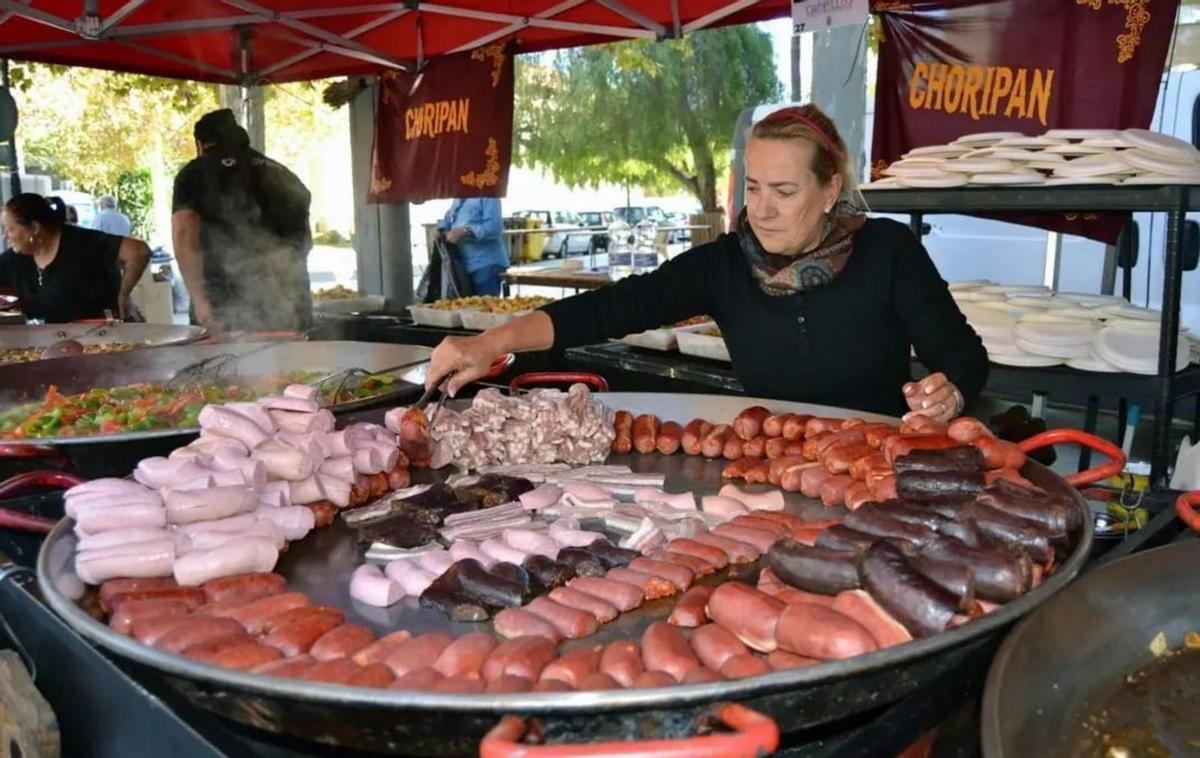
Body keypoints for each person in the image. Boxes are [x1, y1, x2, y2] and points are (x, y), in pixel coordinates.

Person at [426, 105, 988, 421]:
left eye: (785, 191)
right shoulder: (724, 265)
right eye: (752, 187)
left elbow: (963, 357)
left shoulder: (889, 251)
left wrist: (949, 393)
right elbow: (609, 309)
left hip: (880, 460)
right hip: (773, 463)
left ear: (829, 188)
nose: (760, 210)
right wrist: (488, 343)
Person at [172, 108, 313, 334]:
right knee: (294, 367)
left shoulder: (194, 173)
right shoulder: (284, 175)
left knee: (227, 367)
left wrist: (200, 303)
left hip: (226, 304)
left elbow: (184, 233)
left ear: (201, 144)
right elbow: (304, 243)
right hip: (290, 303)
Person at [0, 193, 149, 322]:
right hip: (49, 346)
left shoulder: (82, 243)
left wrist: (123, 296)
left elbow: (139, 252)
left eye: (10, 229)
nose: (5, 235)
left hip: (103, 340)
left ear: (35, 228)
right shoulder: (15, 259)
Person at [436, 197, 508, 296]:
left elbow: (494, 227)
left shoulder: (489, 196)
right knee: (466, 308)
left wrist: (466, 231)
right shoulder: (459, 198)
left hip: (486, 264)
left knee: (485, 308)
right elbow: (449, 219)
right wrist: (441, 229)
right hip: (463, 266)